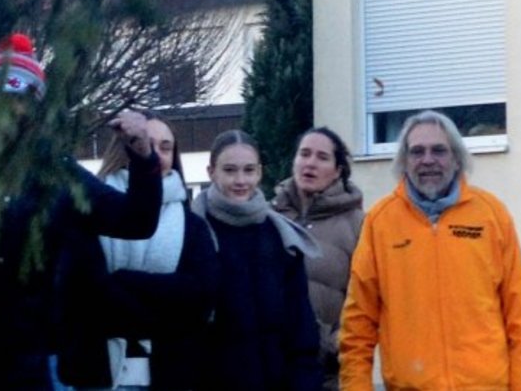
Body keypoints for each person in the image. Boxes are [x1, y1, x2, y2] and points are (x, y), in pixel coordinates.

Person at [0, 33, 163, 391]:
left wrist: (143, 157)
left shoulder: (56, 173)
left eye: (21, 103)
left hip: (20, 367)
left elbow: (135, 221)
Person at [339, 110, 521, 391]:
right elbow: (358, 325)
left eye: (439, 150)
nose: (428, 160)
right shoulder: (380, 222)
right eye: (417, 152)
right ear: (404, 161)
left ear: (456, 158)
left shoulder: (491, 215)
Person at [55, 113, 218, 391]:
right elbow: (83, 297)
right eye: (147, 144)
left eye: (166, 147)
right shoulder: (91, 210)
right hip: (95, 371)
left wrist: (123, 282)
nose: (157, 154)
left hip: (170, 371)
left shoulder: (193, 226)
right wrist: (160, 313)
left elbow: (199, 298)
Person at [191, 129, 323, 391]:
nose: (241, 180)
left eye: (249, 170)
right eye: (230, 170)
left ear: (259, 172)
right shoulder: (193, 233)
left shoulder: (281, 238)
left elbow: (300, 330)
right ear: (211, 172)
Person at [271, 126, 364, 391]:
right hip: (273, 367)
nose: (310, 163)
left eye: (322, 157)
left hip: (327, 372)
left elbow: (365, 296)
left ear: (337, 170)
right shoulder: (268, 217)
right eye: (305, 154)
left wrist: (333, 341)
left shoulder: (358, 225)